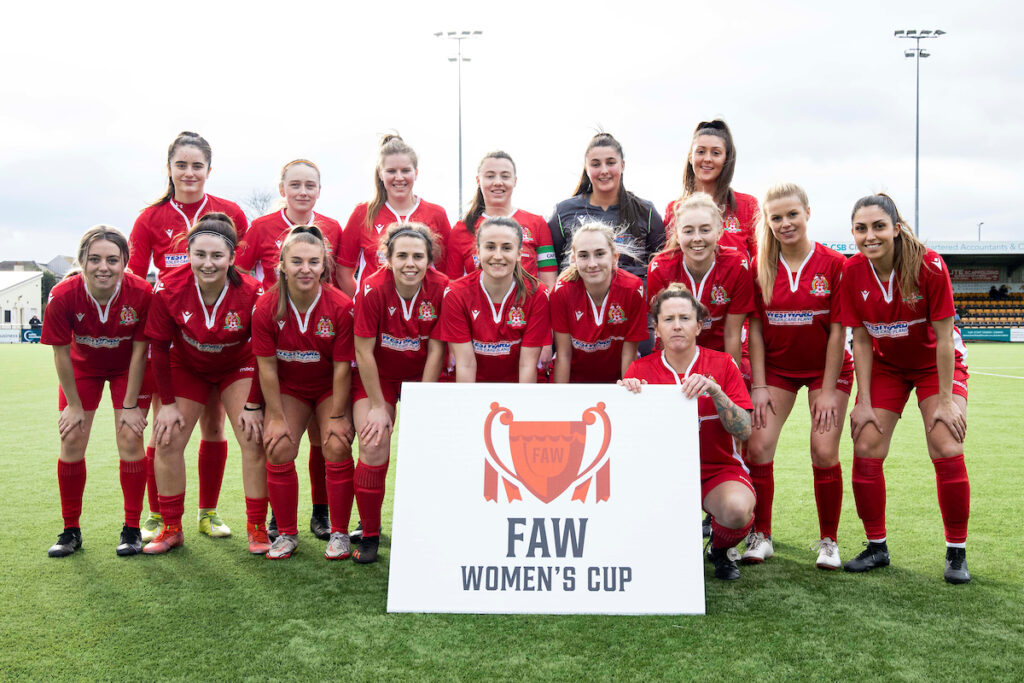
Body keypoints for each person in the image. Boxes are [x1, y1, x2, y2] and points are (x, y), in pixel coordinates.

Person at [840, 193, 971, 584]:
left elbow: (945, 338)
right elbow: (860, 339)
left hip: (935, 364)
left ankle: (956, 552)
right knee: (866, 441)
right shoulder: (851, 272)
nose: (870, 235)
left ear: (896, 228)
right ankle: (876, 546)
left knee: (946, 441)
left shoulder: (929, 265)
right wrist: (862, 401)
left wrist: (946, 401)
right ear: (853, 233)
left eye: (879, 226)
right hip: (886, 366)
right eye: (861, 228)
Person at [128, 131, 249, 543]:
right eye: (181, 164)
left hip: (224, 338)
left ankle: (208, 513)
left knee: (215, 424)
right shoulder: (149, 218)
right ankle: (159, 515)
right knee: (166, 426)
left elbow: (242, 276)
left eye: (197, 165)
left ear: (209, 170)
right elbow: (137, 279)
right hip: (177, 334)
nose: (189, 172)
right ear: (169, 168)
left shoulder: (230, 211)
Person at [142, 213, 270, 555]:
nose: (208, 263)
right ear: (188, 253)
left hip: (236, 365)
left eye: (217, 256)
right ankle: (171, 528)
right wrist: (166, 404)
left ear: (232, 258)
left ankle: (257, 528)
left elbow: (261, 352)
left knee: (253, 438)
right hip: (188, 365)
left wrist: (255, 404)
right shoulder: (168, 287)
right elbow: (157, 347)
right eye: (200, 255)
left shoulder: (253, 291)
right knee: (166, 439)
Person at [744, 183, 853, 568]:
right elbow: (755, 330)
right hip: (776, 370)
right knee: (757, 446)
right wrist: (757, 386)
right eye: (776, 218)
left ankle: (829, 542)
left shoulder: (835, 265)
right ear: (767, 223)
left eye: (792, 214)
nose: (786, 223)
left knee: (824, 450)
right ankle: (762, 535)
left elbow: (839, 332)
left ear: (808, 212)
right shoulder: (759, 267)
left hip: (828, 370)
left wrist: (827, 391)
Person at [236, 159, 345, 541]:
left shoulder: (333, 227)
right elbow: (239, 273)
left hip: (320, 328)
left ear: (319, 189)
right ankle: (280, 523)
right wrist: (260, 306)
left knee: (324, 437)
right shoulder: (261, 227)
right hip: (281, 333)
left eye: (310, 185)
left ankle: (322, 512)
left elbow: (340, 277)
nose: (302, 191)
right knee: (279, 438)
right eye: (294, 184)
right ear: (281, 188)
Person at [619, 284, 754, 580]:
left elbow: (744, 431)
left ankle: (720, 549)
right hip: (661, 473)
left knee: (736, 510)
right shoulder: (639, 371)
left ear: (699, 325)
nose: (677, 326)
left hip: (715, 469)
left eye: (684, 318)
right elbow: (626, 441)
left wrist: (718, 394)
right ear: (656, 327)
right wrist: (625, 401)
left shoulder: (722, 364)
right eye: (668, 320)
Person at [41, 227, 153, 557]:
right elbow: (61, 352)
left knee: (130, 437)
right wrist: (73, 405)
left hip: (126, 369)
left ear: (125, 263)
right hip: (83, 369)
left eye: (112, 259)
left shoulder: (142, 292)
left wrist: (130, 405)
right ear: (82, 262)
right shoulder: (63, 295)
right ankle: (70, 531)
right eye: (95, 259)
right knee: (72, 436)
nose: (103, 267)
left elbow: (139, 351)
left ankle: (132, 529)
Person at [252, 226, 355, 560]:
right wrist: (276, 418)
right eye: (296, 261)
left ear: (324, 265)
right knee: (278, 444)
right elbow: (266, 367)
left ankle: (339, 533)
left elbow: (342, 368)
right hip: (291, 388)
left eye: (313, 261)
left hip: (328, 387)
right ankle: (286, 534)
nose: (305, 268)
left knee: (337, 443)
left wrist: (338, 416)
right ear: (282, 264)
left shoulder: (340, 305)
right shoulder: (266, 306)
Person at [351, 223, 447, 563]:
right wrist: (378, 405)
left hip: (424, 376)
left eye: (418, 256)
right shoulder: (372, 288)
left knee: (436, 446)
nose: (410, 263)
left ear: (429, 259)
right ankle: (370, 533)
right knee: (373, 441)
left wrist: (422, 401)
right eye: (402, 255)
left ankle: (432, 529)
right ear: (387, 258)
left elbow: (437, 350)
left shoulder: (442, 288)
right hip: (379, 377)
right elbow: (363, 351)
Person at [646, 193, 754, 370]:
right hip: (675, 353)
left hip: (721, 354)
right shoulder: (659, 268)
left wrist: (730, 379)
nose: (697, 238)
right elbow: (665, 333)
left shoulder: (737, 265)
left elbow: (732, 333)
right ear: (677, 234)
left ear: (719, 232)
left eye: (705, 230)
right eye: (688, 231)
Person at [439, 217, 550, 383]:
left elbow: (527, 365)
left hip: (518, 384)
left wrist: (521, 408)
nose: (498, 256)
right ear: (477, 251)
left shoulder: (538, 294)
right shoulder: (455, 293)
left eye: (506, 248)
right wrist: (469, 408)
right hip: (473, 384)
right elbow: (466, 364)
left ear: (519, 254)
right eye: (490, 247)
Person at [337, 134, 451, 296]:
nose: (399, 177)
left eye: (405, 170)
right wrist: (364, 302)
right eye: (391, 171)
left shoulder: (436, 213)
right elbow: (343, 272)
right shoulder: (363, 213)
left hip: (422, 315)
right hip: (376, 316)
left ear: (416, 173)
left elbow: (445, 272)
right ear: (380, 174)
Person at [548, 133, 665, 280]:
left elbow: (662, 266)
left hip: (633, 299)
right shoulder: (563, 211)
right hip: (580, 299)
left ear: (622, 165)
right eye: (596, 164)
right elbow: (549, 268)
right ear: (586, 168)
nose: (604, 170)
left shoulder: (645, 211)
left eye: (610, 163)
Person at [550, 221, 648, 383]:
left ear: (614, 257)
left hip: (615, 381)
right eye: (583, 255)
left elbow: (628, 353)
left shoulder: (632, 288)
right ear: (574, 259)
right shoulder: (561, 291)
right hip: (575, 382)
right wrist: (562, 400)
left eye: (600, 254)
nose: (592, 263)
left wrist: (626, 399)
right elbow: (563, 355)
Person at [445, 151, 557, 290]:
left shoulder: (537, 224)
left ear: (514, 181)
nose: (498, 182)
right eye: (490, 176)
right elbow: (453, 287)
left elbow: (549, 285)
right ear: (478, 181)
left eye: (505, 176)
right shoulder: (462, 229)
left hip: (529, 309)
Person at [663, 119, 759, 257]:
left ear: (726, 158)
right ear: (691, 157)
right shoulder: (674, 209)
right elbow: (668, 262)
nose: (707, 159)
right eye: (701, 152)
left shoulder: (748, 206)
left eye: (716, 153)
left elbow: (761, 264)